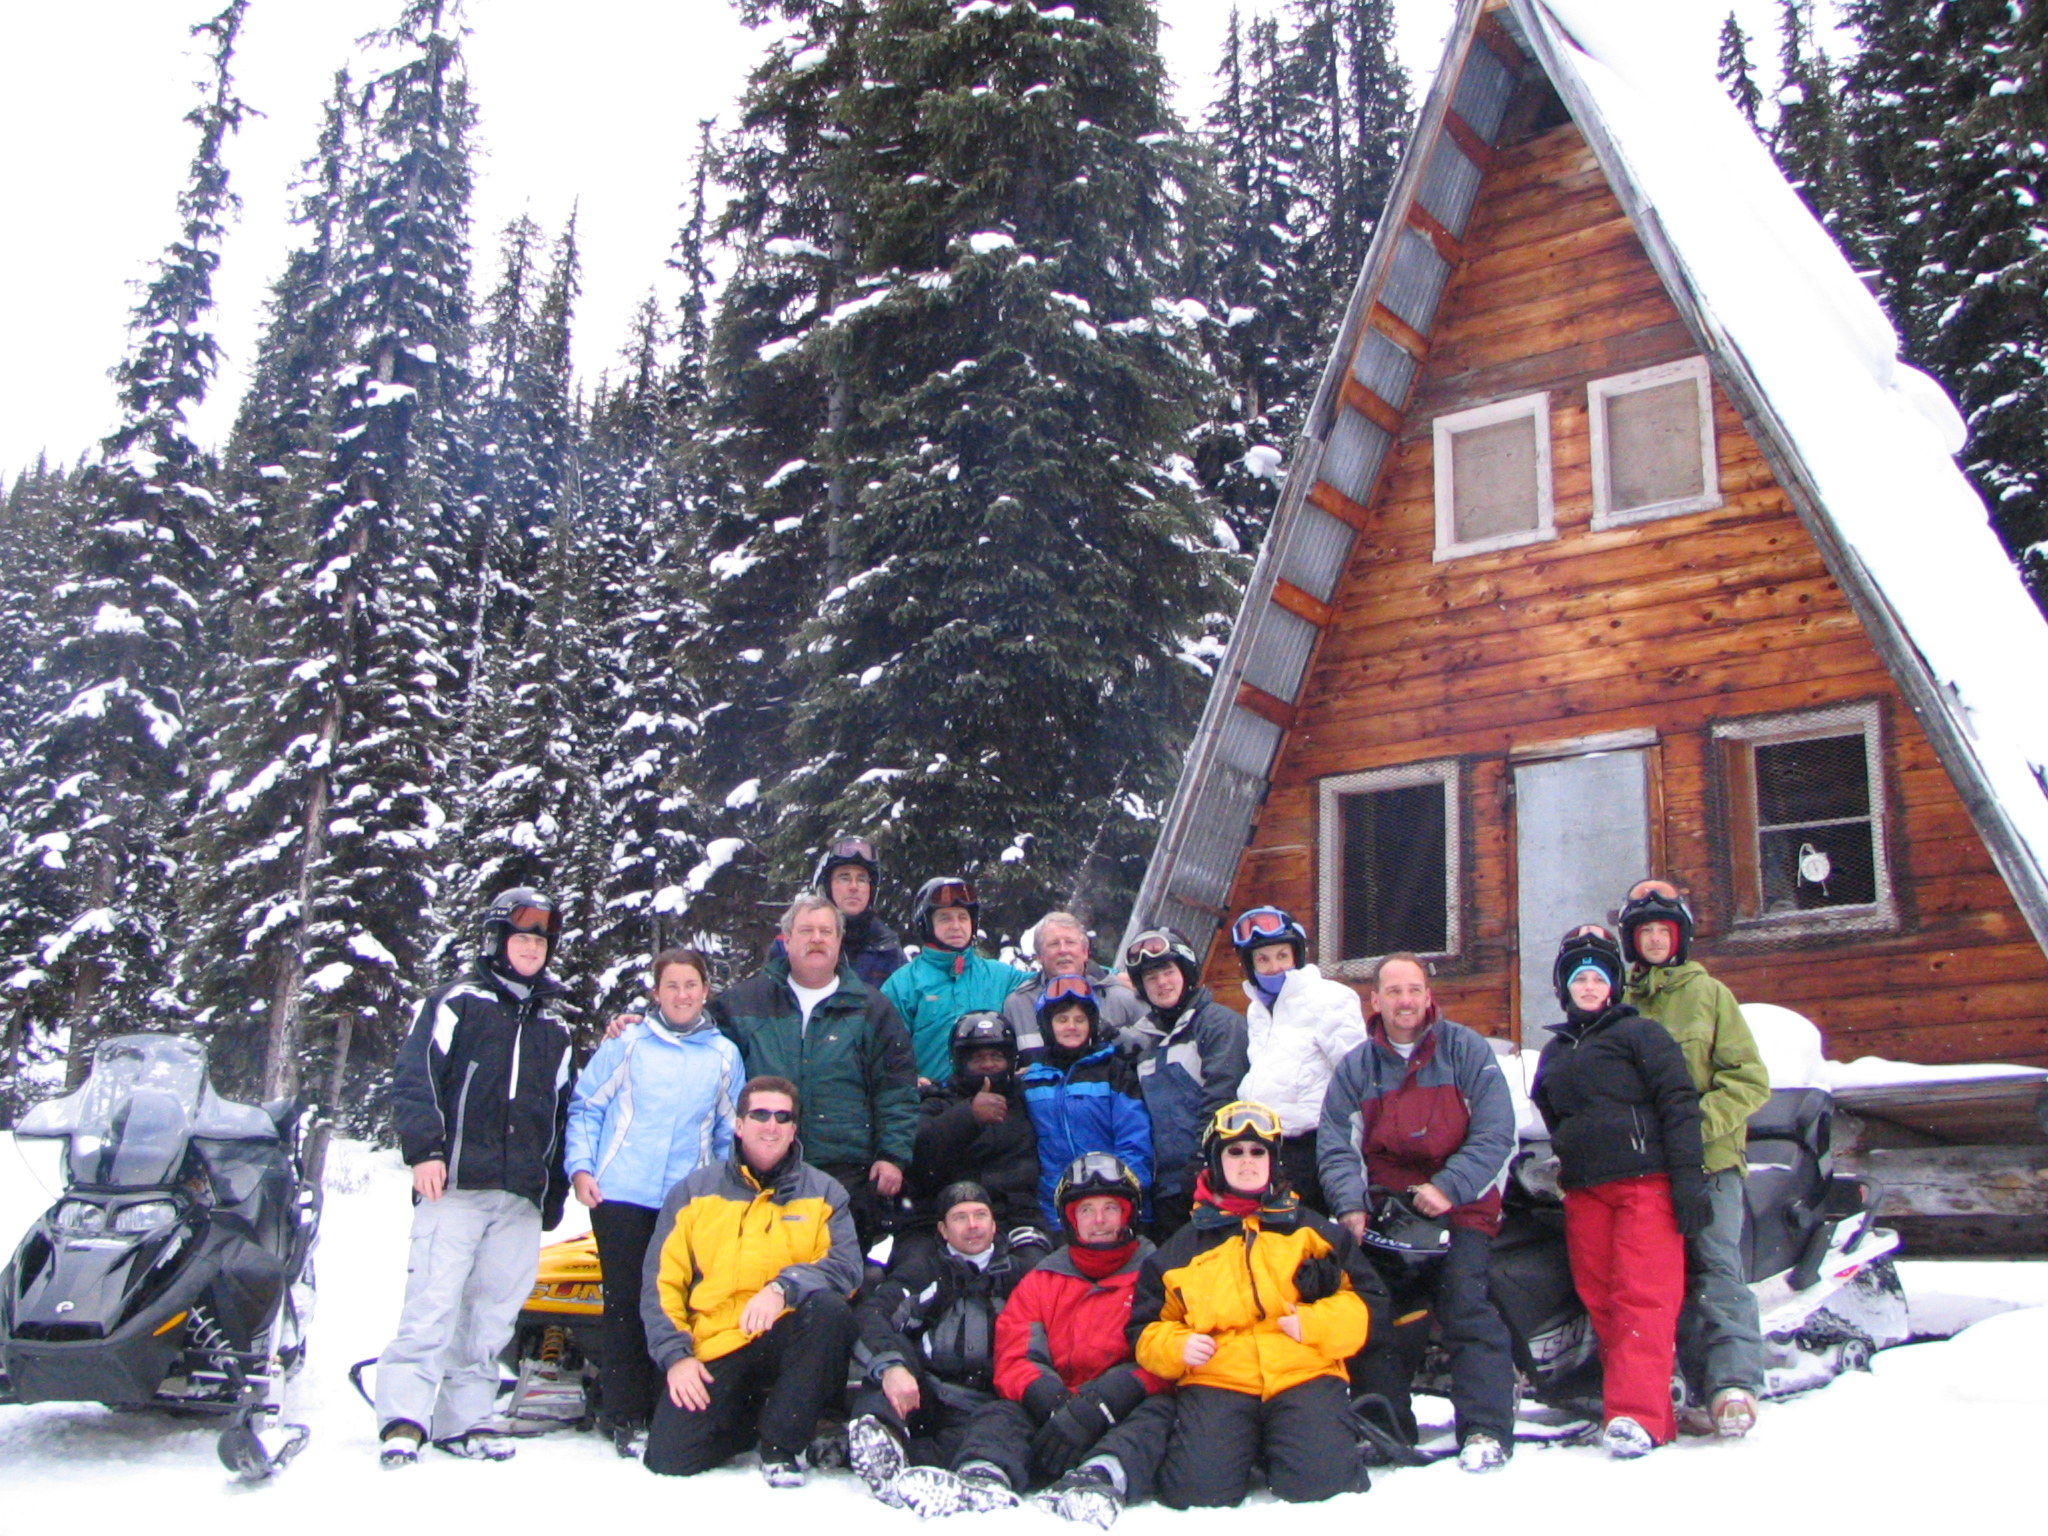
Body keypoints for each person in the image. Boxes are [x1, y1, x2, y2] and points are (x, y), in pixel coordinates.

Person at [376, 888, 575, 1467]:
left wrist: (551, 1190)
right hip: (456, 1184)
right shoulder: (457, 1002)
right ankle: (404, 1418)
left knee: (493, 1312)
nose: (532, 948)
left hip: (518, 1197)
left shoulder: (555, 1029)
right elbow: (416, 1078)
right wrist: (424, 1150)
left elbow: (561, 1116)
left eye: (540, 940)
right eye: (522, 937)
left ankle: (463, 1418)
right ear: (496, 941)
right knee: (434, 1301)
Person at [891, 1154, 1177, 1525]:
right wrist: (1047, 1397)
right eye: (1087, 1210)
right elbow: (1015, 1352)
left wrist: (1113, 1395)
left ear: (1128, 1215)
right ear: (1071, 1219)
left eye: (1111, 1208)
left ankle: (1099, 1480)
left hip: (1120, 1409)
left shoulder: (1158, 1274)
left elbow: (1173, 1349)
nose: (1100, 1220)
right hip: (1054, 1413)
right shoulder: (1043, 1279)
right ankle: (983, 1477)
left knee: (1157, 1415)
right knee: (1000, 1412)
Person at [1317, 952, 1518, 1473]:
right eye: (1394, 991)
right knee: (1374, 1311)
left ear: (1428, 997)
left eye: (1413, 990)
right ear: (1375, 1000)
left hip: (1460, 1208)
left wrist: (1449, 1187)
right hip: (1390, 1214)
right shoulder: (1358, 1068)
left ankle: (1484, 1428)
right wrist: (1351, 1206)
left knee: (1465, 1305)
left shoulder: (1465, 1051)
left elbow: (1497, 1131)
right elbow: (1337, 1145)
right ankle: (1385, 1425)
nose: (1404, 1001)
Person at [1131, 1100, 1384, 1507]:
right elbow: (1145, 1329)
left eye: (1257, 1152)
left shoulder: (1314, 1231)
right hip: (1219, 1379)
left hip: (1303, 1373)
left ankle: (1290, 1445)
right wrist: (1176, 1347)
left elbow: (1370, 1305)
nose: (1247, 1162)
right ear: (1215, 1161)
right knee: (1196, 1493)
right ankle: (1246, 1448)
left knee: (1323, 1488)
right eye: (1234, 1152)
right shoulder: (1178, 1249)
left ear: (1273, 1161)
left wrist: (1316, 1323)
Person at [1530, 925, 1709, 1459]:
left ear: (1613, 986)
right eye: (1578, 978)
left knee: (1642, 1297)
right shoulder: (1555, 1053)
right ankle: (1625, 1405)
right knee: (1600, 1298)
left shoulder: (1641, 1035)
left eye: (1598, 978)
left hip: (1643, 1184)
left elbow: (1678, 1105)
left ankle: (1640, 1416)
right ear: (1565, 987)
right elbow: (1552, 1113)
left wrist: (1687, 1181)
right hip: (1586, 1192)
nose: (1588, 987)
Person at [564, 946, 744, 1455]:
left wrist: (728, 1191)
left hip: (686, 1201)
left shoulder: (724, 1054)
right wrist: (581, 1169)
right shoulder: (629, 1043)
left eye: (691, 985)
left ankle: (669, 1402)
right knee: (626, 1300)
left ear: (706, 991)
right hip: (620, 1191)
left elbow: (732, 1131)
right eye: (672, 986)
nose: (682, 995)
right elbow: (586, 1107)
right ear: (655, 993)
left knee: (676, 1303)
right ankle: (622, 1410)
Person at [640, 1076, 862, 1485]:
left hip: (789, 1335)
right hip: (718, 1341)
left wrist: (784, 1288)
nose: (771, 1125)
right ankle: (750, 1418)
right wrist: (676, 1357)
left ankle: (781, 1445)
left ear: (794, 1128)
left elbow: (846, 1267)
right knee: (669, 1458)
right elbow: (661, 1283)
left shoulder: (825, 1192)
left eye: (783, 1117)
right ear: (739, 1124)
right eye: (759, 1114)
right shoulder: (694, 1192)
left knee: (830, 1311)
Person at [1618, 879, 1772, 1438]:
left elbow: (1749, 1080)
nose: (1655, 940)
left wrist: (1692, 1128)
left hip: (1708, 1162)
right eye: (1645, 932)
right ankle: (1672, 1379)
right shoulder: (1621, 1002)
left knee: (1714, 1267)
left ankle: (1733, 1384)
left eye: (1664, 931)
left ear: (1679, 937)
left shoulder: (1710, 995)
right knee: (1656, 1276)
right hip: (1645, 1166)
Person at [711, 891, 920, 1250]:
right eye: (806, 930)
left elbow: (896, 1089)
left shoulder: (872, 1008)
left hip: (844, 1172)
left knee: (835, 1280)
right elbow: (691, 1041)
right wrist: (637, 1026)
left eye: (826, 931)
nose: (817, 939)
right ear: (787, 940)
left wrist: (891, 1156)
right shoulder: (744, 1002)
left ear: (839, 942)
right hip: (761, 1168)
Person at [846, 1180, 1038, 1506]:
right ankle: (881, 1439)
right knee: (891, 1360)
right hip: (930, 1395)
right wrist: (892, 1366)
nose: (973, 1225)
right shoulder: (926, 1269)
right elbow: (872, 1316)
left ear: (994, 1225)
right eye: (960, 1217)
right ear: (943, 1230)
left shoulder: (1023, 1274)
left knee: (1002, 1427)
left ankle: (942, 1467)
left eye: (980, 1215)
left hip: (992, 1402)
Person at [1229, 906, 1367, 1211]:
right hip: (1269, 1147)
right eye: (1262, 959)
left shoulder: (1330, 999)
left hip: (1315, 1148)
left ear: (1297, 956)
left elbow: (1358, 1081)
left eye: (1282, 956)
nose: (1274, 967)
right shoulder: (1258, 1010)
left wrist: (1351, 1162)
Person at [1119, 928, 1249, 1239]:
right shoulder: (1146, 1044)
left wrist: (1204, 1162)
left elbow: (1224, 1096)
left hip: (1214, 1182)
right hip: (1167, 1191)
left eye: (1168, 971)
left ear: (1186, 972)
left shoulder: (1218, 1024)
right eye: (1151, 977)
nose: (1162, 982)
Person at [1017, 976, 1152, 1229]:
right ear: (1047, 1025)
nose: (1072, 1027)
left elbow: (1134, 1139)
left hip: (1113, 1203)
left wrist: (1124, 1192)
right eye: (1062, 1020)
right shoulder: (1033, 1080)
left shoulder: (1114, 1071)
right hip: (1057, 1211)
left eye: (1080, 1020)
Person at [909, 1011, 1047, 1245]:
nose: (988, 1065)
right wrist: (968, 1116)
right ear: (959, 1061)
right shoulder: (936, 1102)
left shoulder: (1028, 1096)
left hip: (1016, 1219)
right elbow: (916, 1154)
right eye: (977, 1058)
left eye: (996, 1056)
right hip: (944, 1221)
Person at [883, 876, 1030, 1082]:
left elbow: (1051, 988)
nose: (956, 926)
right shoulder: (902, 985)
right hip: (932, 1104)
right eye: (945, 918)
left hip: (997, 1100)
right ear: (926, 924)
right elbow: (883, 1054)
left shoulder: (1001, 976)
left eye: (963, 917)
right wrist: (906, 1082)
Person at [767, 835, 907, 988]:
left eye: (861, 879)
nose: (854, 887)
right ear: (827, 886)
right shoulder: (791, 943)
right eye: (844, 878)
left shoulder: (888, 948)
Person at [1004, 911, 1147, 1053]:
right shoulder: (1018, 1005)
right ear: (1039, 956)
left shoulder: (1122, 998)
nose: (1063, 950)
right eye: (1053, 944)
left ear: (1085, 952)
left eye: (1070, 942)